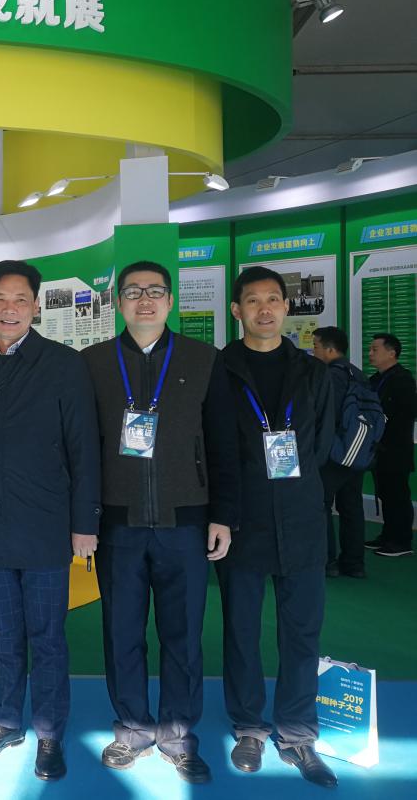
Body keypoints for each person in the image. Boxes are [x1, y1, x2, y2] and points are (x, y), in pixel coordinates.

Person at [80, 262, 240, 784]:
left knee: (183, 635)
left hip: (185, 523)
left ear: (170, 301)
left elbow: (222, 443)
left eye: (154, 291)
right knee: (121, 632)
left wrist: (221, 515)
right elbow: (81, 449)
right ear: (117, 303)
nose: (144, 300)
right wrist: (85, 519)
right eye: (133, 292)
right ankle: (132, 729)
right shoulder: (93, 363)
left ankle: (177, 734)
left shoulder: (203, 359)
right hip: (118, 526)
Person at [0, 260, 100, 781]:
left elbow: (83, 447)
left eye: (20, 299)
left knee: (48, 636)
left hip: (45, 525)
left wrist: (84, 523)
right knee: (3, 632)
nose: (9, 308)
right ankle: (6, 720)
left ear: (35, 306)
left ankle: (50, 731)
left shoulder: (63, 364)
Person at [217, 266, 337, 787]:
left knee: (302, 631)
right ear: (236, 310)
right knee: (242, 631)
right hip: (242, 521)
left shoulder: (314, 373)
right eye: (253, 300)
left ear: (287, 309)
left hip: (302, 519)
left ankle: (297, 733)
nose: (264, 309)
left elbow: (322, 445)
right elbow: (213, 447)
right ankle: (248, 727)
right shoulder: (218, 371)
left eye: (273, 299)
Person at [312, 326, 368, 576]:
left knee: (321, 504)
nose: (314, 352)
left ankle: (327, 561)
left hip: (334, 451)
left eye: (316, 346)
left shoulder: (330, 375)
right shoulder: (358, 373)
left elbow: (326, 415)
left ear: (329, 349)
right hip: (357, 452)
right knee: (352, 506)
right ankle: (354, 563)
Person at [366, 332, 415, 558]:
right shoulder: (375, 380)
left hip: (395, 449)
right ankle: (387, 535)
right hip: (378, 448)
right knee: (385, 493)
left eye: (375, 349)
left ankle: (401, 541)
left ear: (391, 353)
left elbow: (406, 414)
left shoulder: (403, 380)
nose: (370, 353)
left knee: (397, 495)